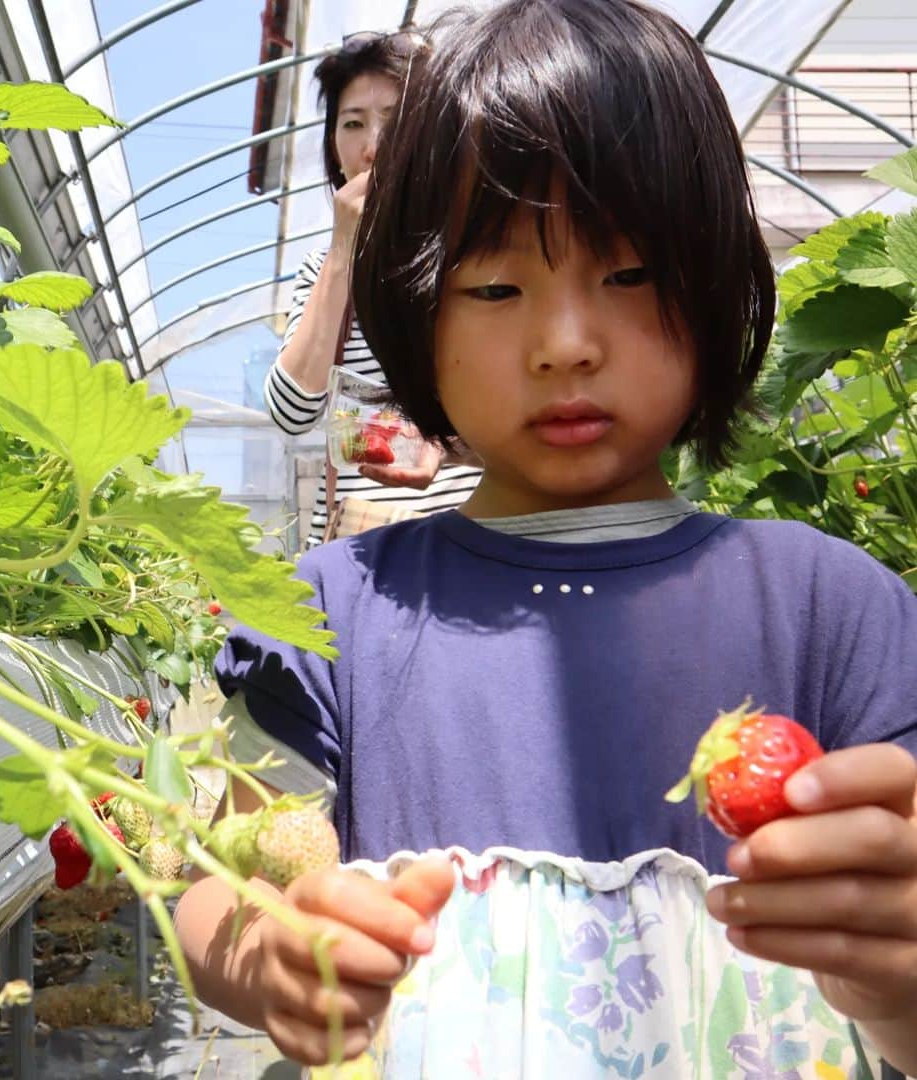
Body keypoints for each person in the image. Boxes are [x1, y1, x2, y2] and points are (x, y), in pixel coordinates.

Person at [176, 1, 917, 1075]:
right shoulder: (332, 611)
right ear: (416, 309)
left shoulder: (831, 606)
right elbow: (221, 875)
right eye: (494, 286)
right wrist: (274, 951)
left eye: (628, 275)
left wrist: (889, 981)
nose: (565, 344)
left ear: (713, 283)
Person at [263, 30, 481, 546]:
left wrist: (442, 444)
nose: (374, 146)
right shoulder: (322, 267)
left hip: (475, 537)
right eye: (353, 124)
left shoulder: (479, 254)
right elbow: (293, 412)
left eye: (397, 121)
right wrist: (343, 252)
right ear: (335, 150)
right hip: (367, 549)